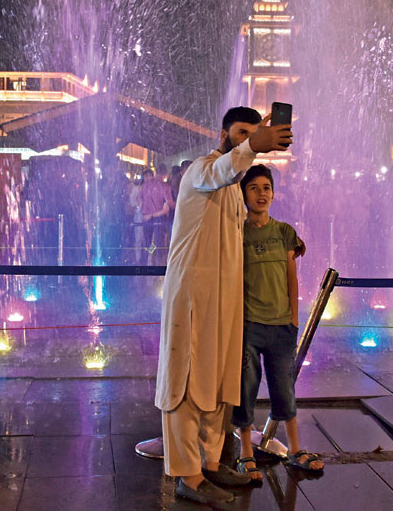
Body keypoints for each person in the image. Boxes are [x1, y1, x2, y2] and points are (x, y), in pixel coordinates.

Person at [155, 107, 292, 507]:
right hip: (193, 299)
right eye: (241, 132)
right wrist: (253, 145)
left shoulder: (235, 188)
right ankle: (187, 475)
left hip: (226, 302)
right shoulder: (201, 170)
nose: (248, 138)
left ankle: (212, 463)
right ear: (224, 134)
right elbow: (222, 170)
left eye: (253, 133)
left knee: (219, 380)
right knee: (185, 378)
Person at [232, 165, 322, 483]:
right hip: (248, 325)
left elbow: (290, 277)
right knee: (245, 389)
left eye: (266, 187)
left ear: (274, 192)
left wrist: (294, 319)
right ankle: (245, 453)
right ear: (243, 194)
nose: (261, 193)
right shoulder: (236, 231)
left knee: (284, 388)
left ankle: (296, 449)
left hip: (282, 324)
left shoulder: (284, 231)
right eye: (254, 187)